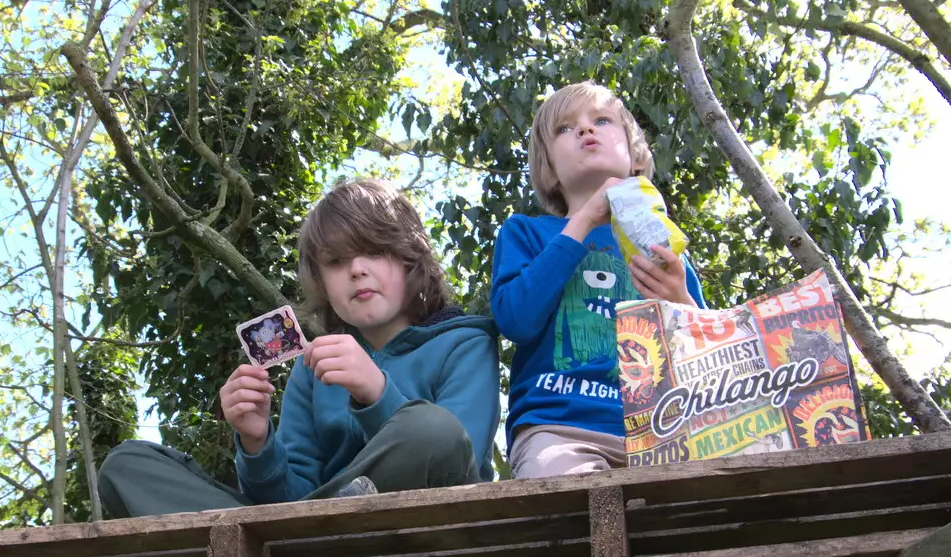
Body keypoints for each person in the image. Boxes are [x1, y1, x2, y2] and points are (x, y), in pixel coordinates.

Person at [98, 177, 500, 517]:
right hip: (299, 532)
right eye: (337, 261)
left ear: (411, 259)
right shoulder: (312, 369)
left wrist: (376, 393)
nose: (357, 269)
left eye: (376, 251)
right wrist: (258, 444)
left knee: (432, 428)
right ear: (321, 281)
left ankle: (314, 544)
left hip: (424, 529)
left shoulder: (466, 343)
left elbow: (454, 458)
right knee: (127, 465)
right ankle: (304, 547)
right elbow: (288, 500)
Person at [491, 81, 706, 479]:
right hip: (558, 429)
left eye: (601, 120)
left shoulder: (664, 246)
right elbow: (515, 319)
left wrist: (679, 298)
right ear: (550, 170)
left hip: (666, 430)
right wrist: (585, 219)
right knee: (562, 501)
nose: (585, 130)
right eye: (565, 128)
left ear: (634, 154)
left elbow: (707, 358)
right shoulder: (526, 233)